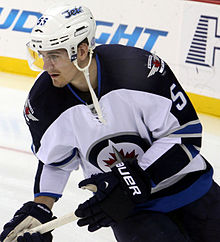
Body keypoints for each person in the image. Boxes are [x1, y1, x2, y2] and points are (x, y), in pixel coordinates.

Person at [1, 3, 220, 242]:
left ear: (82, 50)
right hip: (129, 211)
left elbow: (186, 135)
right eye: (41, 55)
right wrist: (41, 207)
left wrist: (138, 177)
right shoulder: (43, 102)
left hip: (190, 189)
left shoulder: (139, 71)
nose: (45, 65)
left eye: (54, 55)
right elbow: (55, 161)